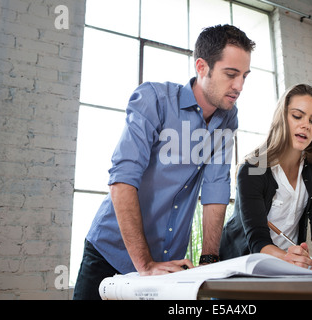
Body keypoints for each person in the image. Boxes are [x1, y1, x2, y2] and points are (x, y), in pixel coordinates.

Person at [73, 24, 256, 299]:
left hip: (167, 263)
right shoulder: (154, 100)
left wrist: (208, 261)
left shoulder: (228, 117)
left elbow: (216, 188)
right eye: (231, 74)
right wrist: (144, 265)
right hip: (111, 253)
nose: (239, 86)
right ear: (202, 67)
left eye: (244, 76)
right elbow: (122, 180)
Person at [219, 84, 312, 273]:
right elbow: (257, 238)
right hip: (242, 264)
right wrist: (287, 258)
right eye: (297, 116)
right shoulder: (253, 168)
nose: (306, 125)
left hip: (287, 266)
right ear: (282, 117)